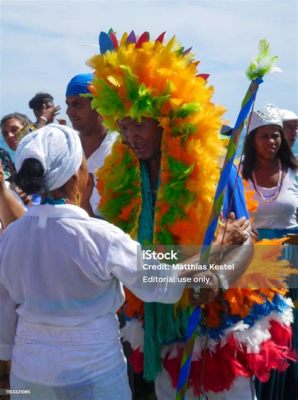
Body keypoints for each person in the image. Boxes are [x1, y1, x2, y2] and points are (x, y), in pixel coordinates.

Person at [84, 30, 294, 400]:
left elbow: (246, 240)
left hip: (218, 326)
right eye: (124, 124)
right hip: (160, 326)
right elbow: (135, 260)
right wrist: (204, 256)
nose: (130, 135)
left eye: (140, 123)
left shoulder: (217, 169)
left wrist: (219, 277)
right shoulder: (121, 180)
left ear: (166, 119)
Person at [0, 124, 218, 400]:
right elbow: (160, 285)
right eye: (82, 165)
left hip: (30, 372)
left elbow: (4, 309)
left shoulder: (11, 237)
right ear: (74, 177)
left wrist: (6, 360)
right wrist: (212, 250)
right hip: (93, 371)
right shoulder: (100, 236)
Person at [241, 104, 298, 400]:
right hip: (254, 262)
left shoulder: (295, 171)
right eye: (264, 136)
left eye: (276, 135)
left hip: (292, 259)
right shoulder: (239, 173)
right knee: (260, 329)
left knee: (291, 329)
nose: (272, 141)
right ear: (252, 139)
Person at [65, 73, 118, 216]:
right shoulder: (67, 149)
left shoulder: (119, 149)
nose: (69, 112)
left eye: (77, 105)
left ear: (99, 106)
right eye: (68, 104)